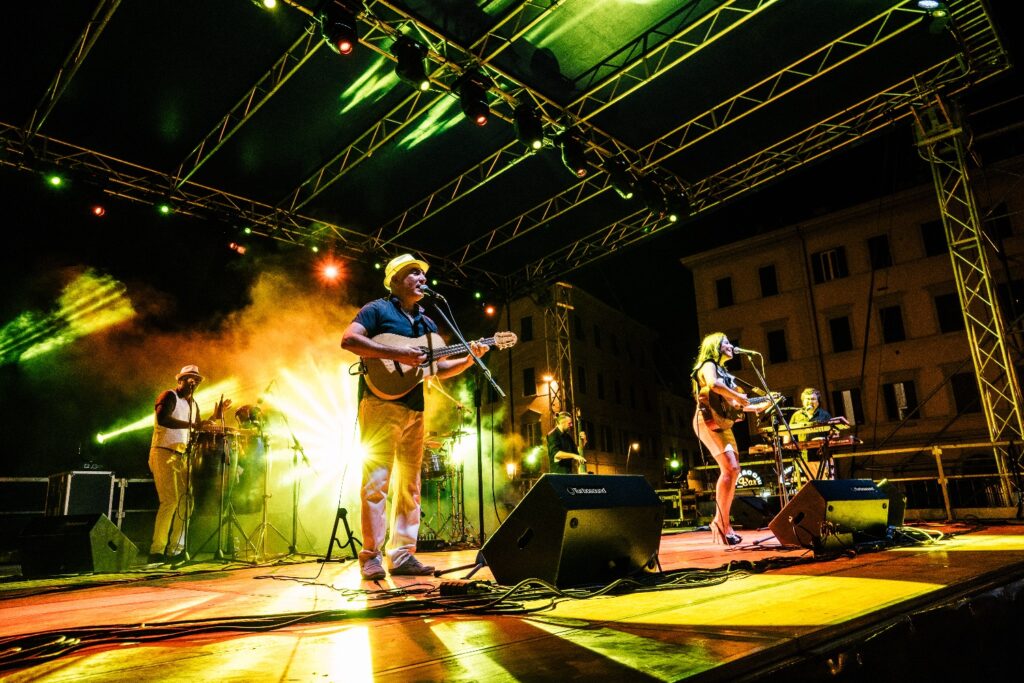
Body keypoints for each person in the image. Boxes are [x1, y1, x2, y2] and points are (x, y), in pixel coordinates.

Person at [341, 253, 488, 581]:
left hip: (415, 409)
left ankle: (402, 554)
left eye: (423, 274)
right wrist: (397, 352)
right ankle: (370, 556)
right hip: (379, 403)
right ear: (394, 280)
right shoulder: (377, 310)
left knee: (411, 484)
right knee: (377, 481)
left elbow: (437, 368)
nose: (422, 278)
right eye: (414, 273)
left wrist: (469, 358)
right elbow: (349, 340)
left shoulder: (428, 324)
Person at [148, 365, 230, 563]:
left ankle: (176, 550)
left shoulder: (193, 404)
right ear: (180, 380)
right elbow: (163, 418)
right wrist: (192, 425)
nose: (194, 382)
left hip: (182, 455)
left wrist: (215, 417)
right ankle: (156, 551)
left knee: (186, 502)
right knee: (170, 501)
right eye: (190, 379)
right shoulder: (169, 396)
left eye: (197, 380)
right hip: (164, 451)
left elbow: (198, 428)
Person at [691, 333, 765, 545]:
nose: (731, 345)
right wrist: (739, 396)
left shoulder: (725, 373)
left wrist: (757, 406)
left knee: (733, 471)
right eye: (726, 342)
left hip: (723, 422)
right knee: (730, 468)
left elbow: (734, 405)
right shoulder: (708, 364)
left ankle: (721, 522)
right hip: (708, 421)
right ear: (715, 346)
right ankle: (721, 522)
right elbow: (713, 384)